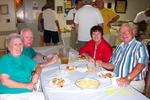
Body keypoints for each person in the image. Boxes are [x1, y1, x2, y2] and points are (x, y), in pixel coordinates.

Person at [0, 33, 57, 100]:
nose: (19, 47)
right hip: (10, 95)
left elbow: (38, 66)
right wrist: (26, 86)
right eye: (15, 44)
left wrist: (36, 74)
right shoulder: (5, 60)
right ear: (9, 47)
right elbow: (5, 81)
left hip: (27, 93)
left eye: (20, 44)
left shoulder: (24, 58)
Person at [96, 23, 149, 92]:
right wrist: (101, 63)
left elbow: (140, 65)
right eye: (121, 33)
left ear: (133, 32)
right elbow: (112, 65)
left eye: (126, 32)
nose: (123, 34)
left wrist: (127, 78)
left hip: (133, 83)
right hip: (117, 81)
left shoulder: (140, 46)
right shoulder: (118, 47)